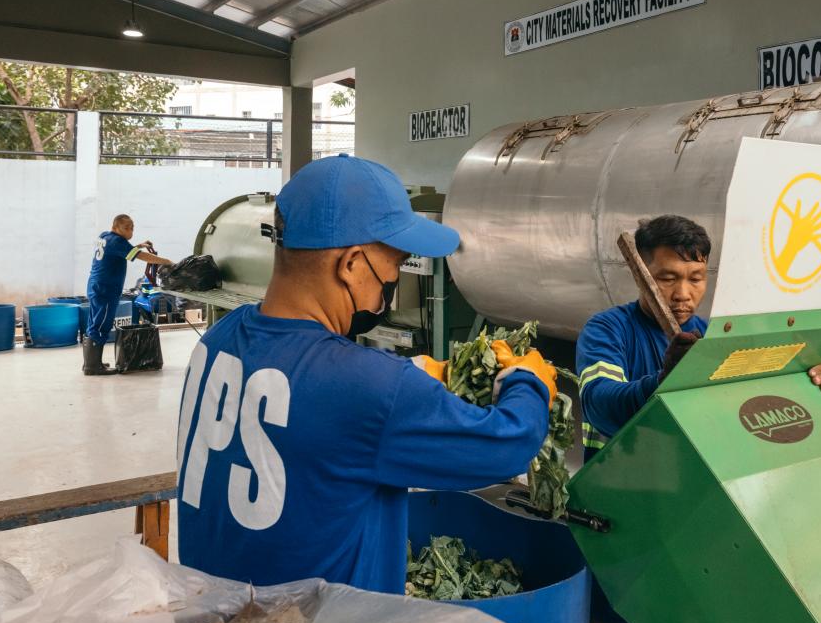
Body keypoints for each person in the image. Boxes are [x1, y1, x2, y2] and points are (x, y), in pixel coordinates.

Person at [175, 154, 558, 593]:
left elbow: (310, 422)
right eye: (394, 261)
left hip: (222, 618)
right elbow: (506, 447)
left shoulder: (219, 338)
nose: (393, 278)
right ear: (352, 263)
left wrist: (422, 375)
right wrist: (527, 382)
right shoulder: (370, 386)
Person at [576, 214, 821, 623]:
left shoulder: (708, 339)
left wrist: (810, 390)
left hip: (688, 519)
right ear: (642, 275)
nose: (683, 294)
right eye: (667, 278)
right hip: (623, 519)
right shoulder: (608, 331)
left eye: (696, 278)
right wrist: (664, 379)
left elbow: (751, 414)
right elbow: (601, 404)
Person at [83, 214, 172, 375]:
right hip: (106, 288)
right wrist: (165, 261)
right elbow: (140, 257)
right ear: (115, 227)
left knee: (94, 322)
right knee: (101, 324)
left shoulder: (105, 236)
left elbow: (124, 251)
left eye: (132, 228)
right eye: (126, 228)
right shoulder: (118, 241)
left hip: (95, 285)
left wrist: (138, 245)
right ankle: (92, 367)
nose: (130, 232)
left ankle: (91, 363)